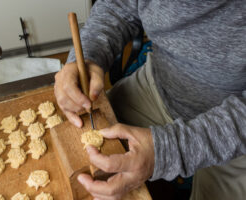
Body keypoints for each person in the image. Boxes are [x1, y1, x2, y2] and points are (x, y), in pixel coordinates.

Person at [54, 0, 246, 199]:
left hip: (237, 127)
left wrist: (170, 150)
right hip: (159, 86)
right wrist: (88, 58)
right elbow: (118, 6)